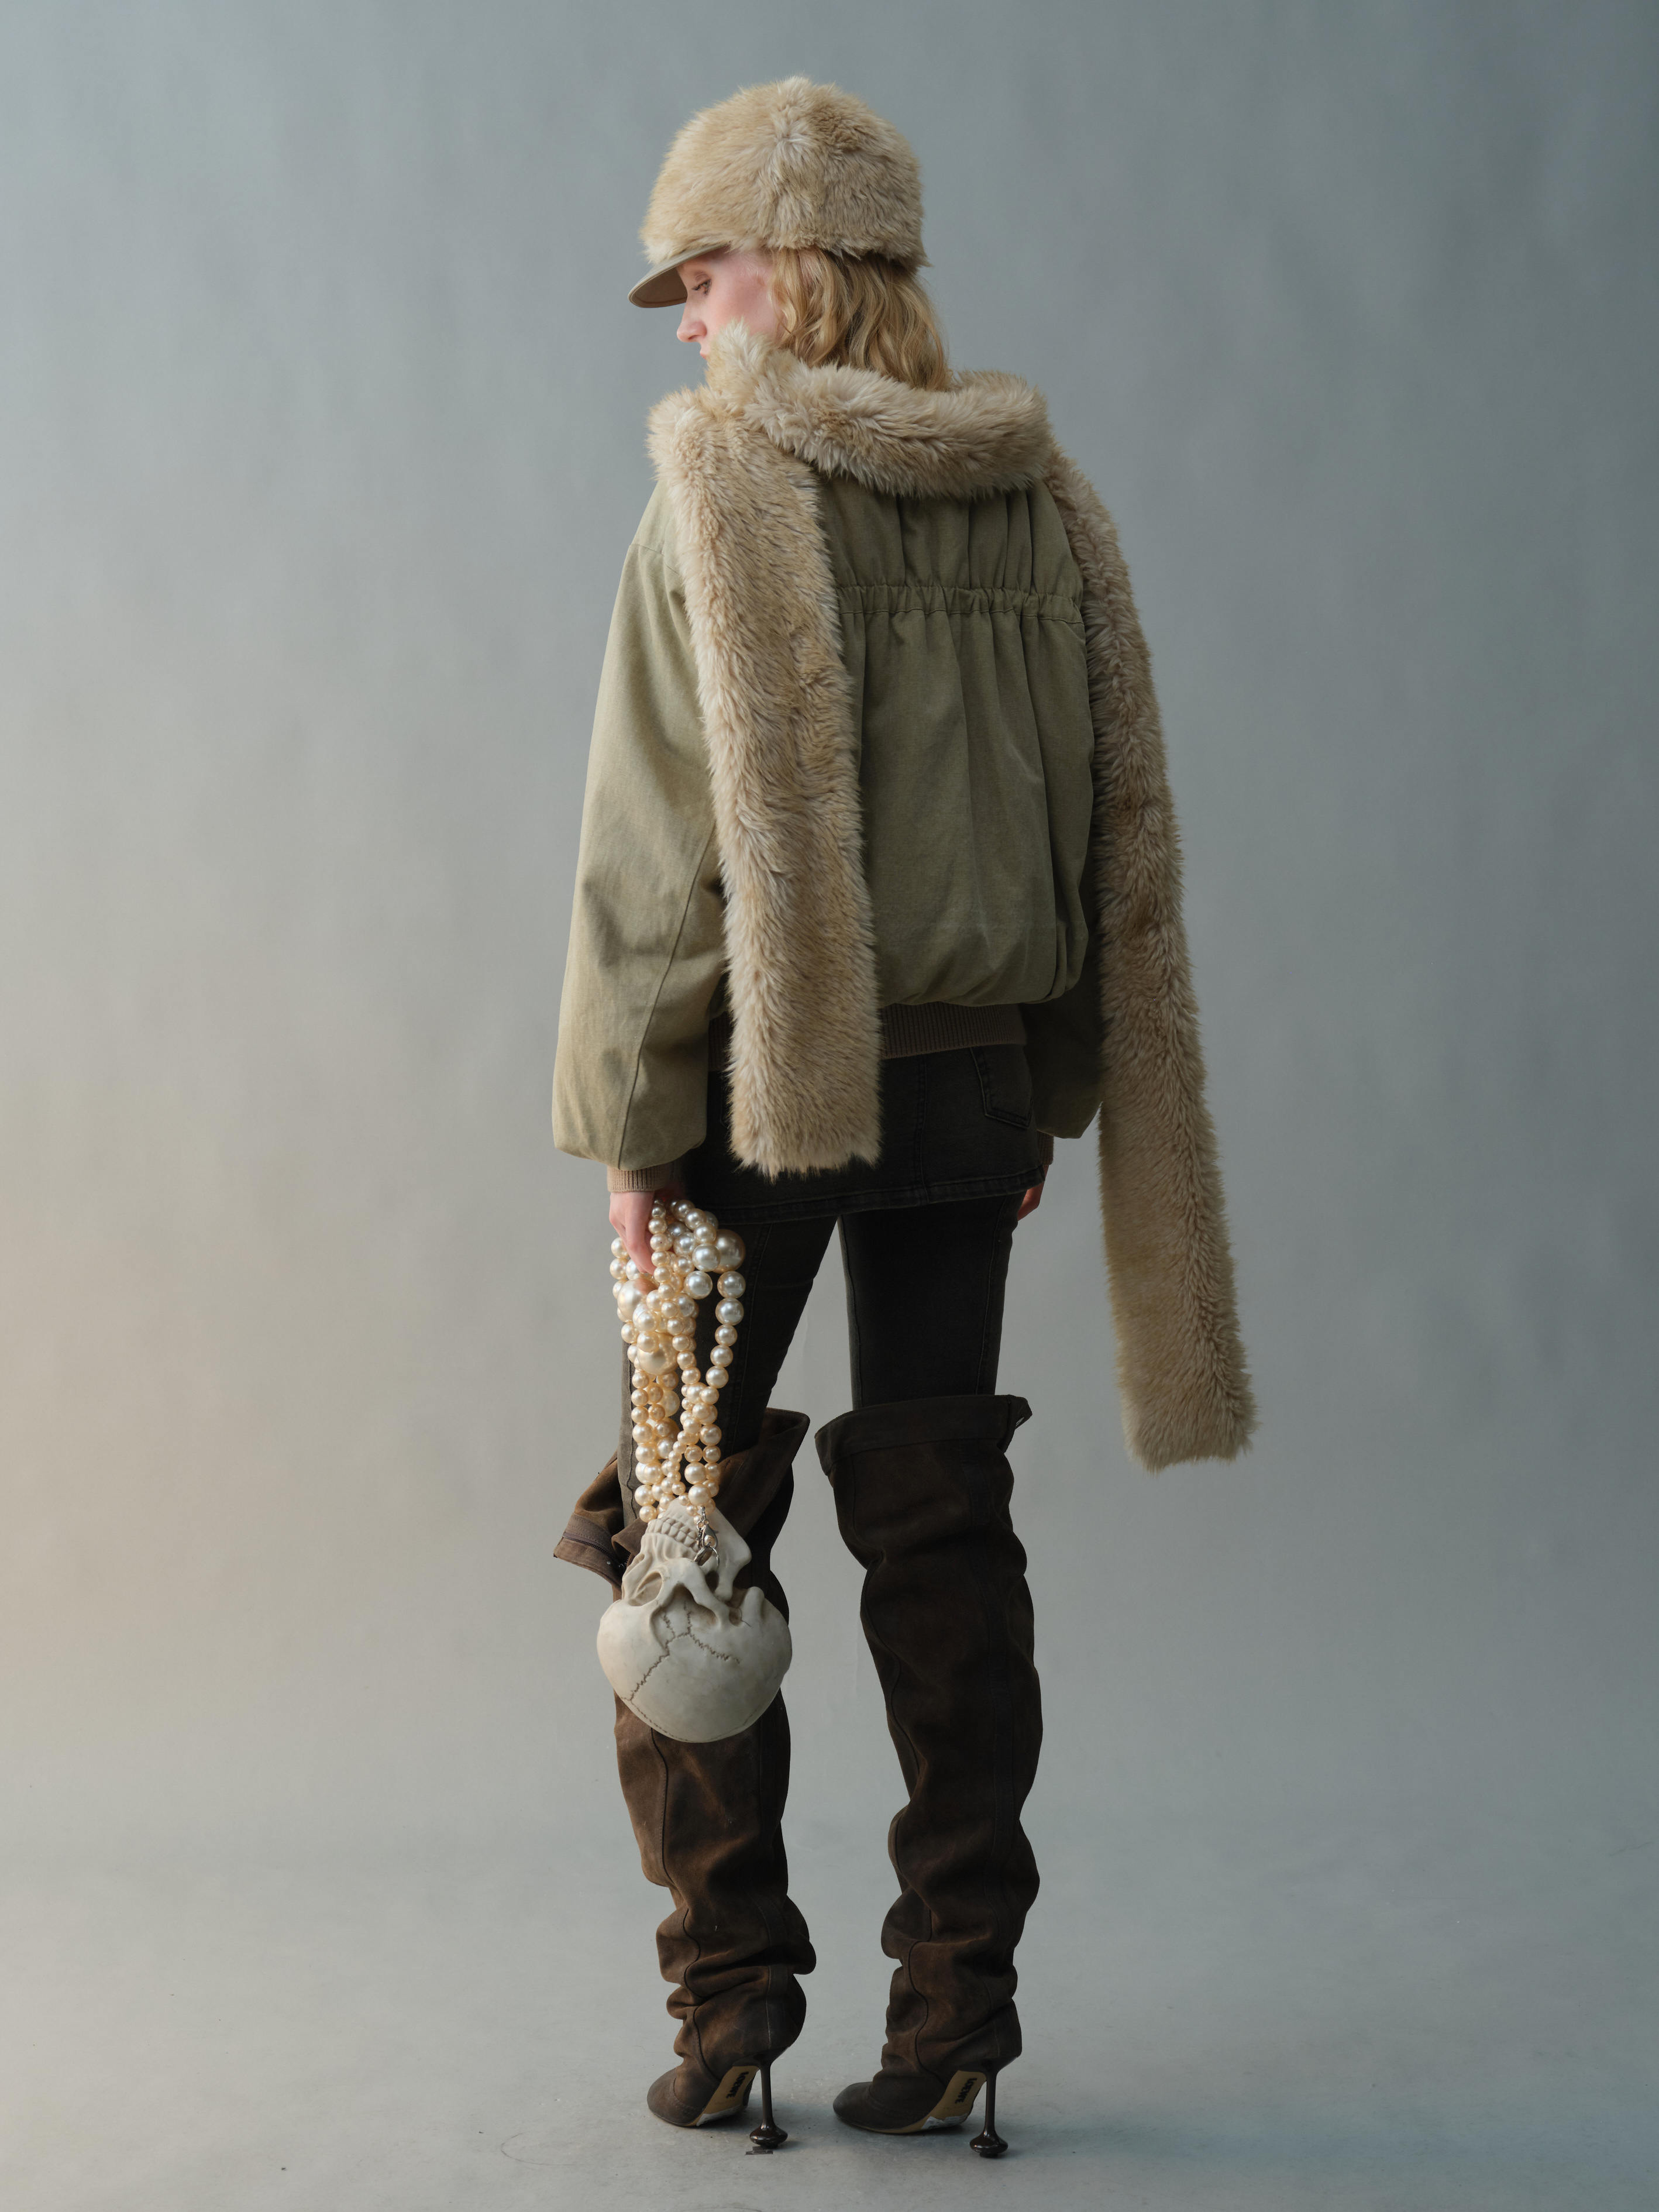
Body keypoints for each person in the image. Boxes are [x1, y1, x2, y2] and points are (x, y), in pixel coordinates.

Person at [550, 75, 1254, 2152]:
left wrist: (630, 1138)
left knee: (680, 1523)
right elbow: (1108, 827)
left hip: (761, 1093)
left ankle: (729, 2004)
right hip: (966, 1095)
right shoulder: (1041, 502)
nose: (689, 317)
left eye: (705, 274)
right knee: (941, 1516)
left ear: (796, 271)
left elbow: (653, 862)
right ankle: (960, 2005)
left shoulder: (716, 490)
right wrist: (1044, 1086)